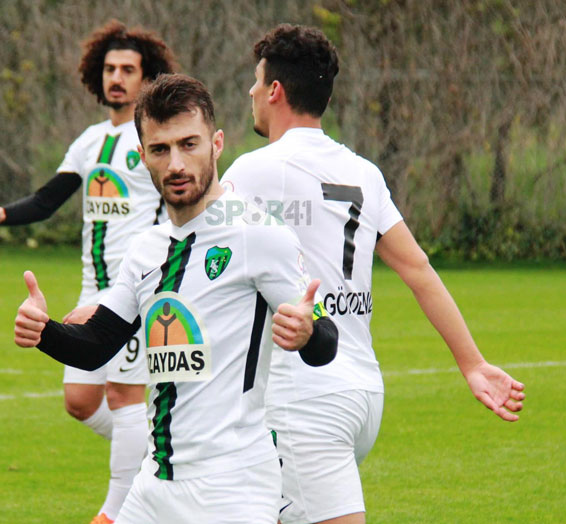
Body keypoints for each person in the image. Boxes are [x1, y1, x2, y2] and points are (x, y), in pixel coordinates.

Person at [220, 24, 527, 524]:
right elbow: (418, 269)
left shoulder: (252, 171)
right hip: (362, 393)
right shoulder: (364, 171)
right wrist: (472, 363)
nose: (251, 92)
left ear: (275, 90)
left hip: (302, 397)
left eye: (257, 82)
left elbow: (194, 260)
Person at [14, 73, 339, 524]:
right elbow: (96, 347)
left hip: (232, 486)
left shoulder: (258, 233)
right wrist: (43, 331)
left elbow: (326, 341)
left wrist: (307, 333)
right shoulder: (146, 249)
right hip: (154, 486)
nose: (176, 164)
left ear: (217, 143)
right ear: (143, 154)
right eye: (161, 149)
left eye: (189, 144)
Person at [0, 21, 177, 523]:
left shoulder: (155, 139)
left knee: (124, 393)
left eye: (129, 70)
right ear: (98, 74)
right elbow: (50, 198)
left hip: (136, 288)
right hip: (92, 287)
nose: (117, 78)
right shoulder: (90, 141)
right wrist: (6, 215)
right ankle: (167, 450)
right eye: (110, 69)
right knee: (80, 399)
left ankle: (114, 512)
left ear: (147, 77)